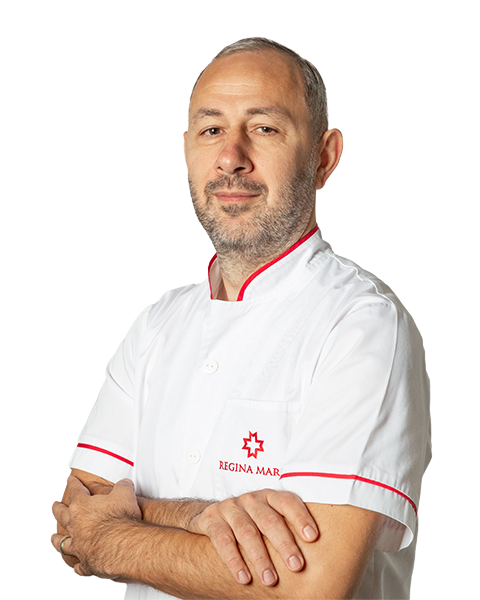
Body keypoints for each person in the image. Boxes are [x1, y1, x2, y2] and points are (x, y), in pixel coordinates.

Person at [51, 37, 431, 600]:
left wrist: (116, 531)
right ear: (186, 148)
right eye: (211, 130)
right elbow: (74, 517)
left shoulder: (362, 326)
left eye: (264, 128)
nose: (231, 157)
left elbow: (311, 585)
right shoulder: (157, 327)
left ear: (323, 157)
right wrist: (195, 516)